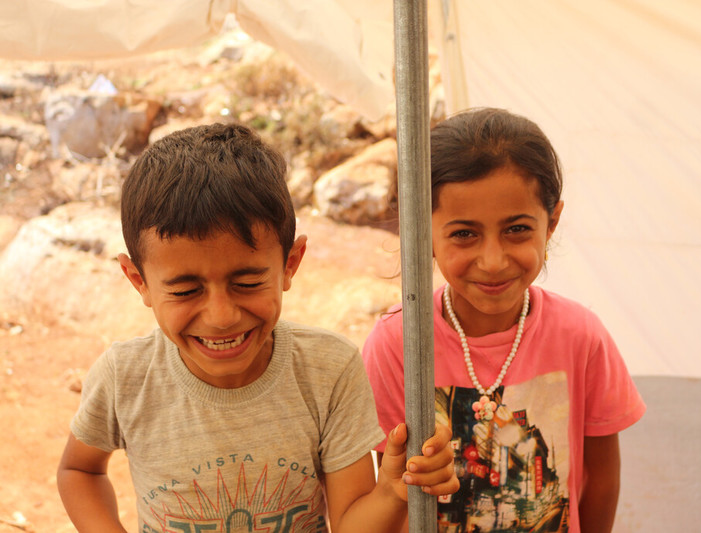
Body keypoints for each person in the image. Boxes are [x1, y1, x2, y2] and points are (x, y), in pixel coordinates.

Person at [57, 123, 458, 533]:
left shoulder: (329, 371)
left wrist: (392, 492)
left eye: (247, 284)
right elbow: (79, 471)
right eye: (185, 290)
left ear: (291, 263)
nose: (221, 315)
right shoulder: (124, 377)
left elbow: (352, 524)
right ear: (137, 279)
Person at [362, 108, 646, 533]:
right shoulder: (396, 343)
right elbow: (394, 490)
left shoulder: (581, 335)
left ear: (551, 224)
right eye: (464, 234)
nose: (493, 262)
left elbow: (601, 480)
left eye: (516, 229)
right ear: (424, 233)